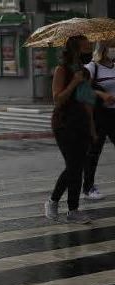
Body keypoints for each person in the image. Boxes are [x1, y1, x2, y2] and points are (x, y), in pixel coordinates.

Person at [45, 35, 97, 224]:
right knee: (74, 166)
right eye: (85, 47)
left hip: (81, 122)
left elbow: (87, 102)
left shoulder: (86, 72)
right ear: (75, 50)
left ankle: (68, 208)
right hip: (64, 123)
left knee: (78, 166)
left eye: (90, 47)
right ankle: (57, 202)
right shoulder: (62, 70)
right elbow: (57, 100)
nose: (89, 51)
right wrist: (74, 82)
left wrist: (92, 128)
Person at [83, 42, 115, 200]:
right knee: (94, 152)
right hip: (100, 115)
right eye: (110, 44)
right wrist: (102, 95)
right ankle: (88, 187)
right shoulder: (92, 67)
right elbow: (84, 90)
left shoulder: (114, 65)